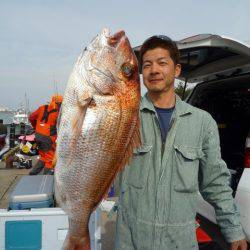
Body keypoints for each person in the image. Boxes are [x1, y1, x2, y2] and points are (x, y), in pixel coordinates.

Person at [115, 36, 247, 250]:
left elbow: (214, 183)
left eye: (162, 63)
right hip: (132, 241)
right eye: (147, 65)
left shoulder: (202, 122)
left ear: (176, 70)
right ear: (141, 73)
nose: (154, 70)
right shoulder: (123, 117)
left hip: (180, 243)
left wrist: (233, 230)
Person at [29, 94, 63, 175]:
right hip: (48, 137)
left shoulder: (42, 107)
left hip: (38, 135)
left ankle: (33, 173)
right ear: (60, 103)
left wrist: (36, 127)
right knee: (50, 158)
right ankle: (46, 177)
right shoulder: (59, 112)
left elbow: (31, 117)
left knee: (43, 156)